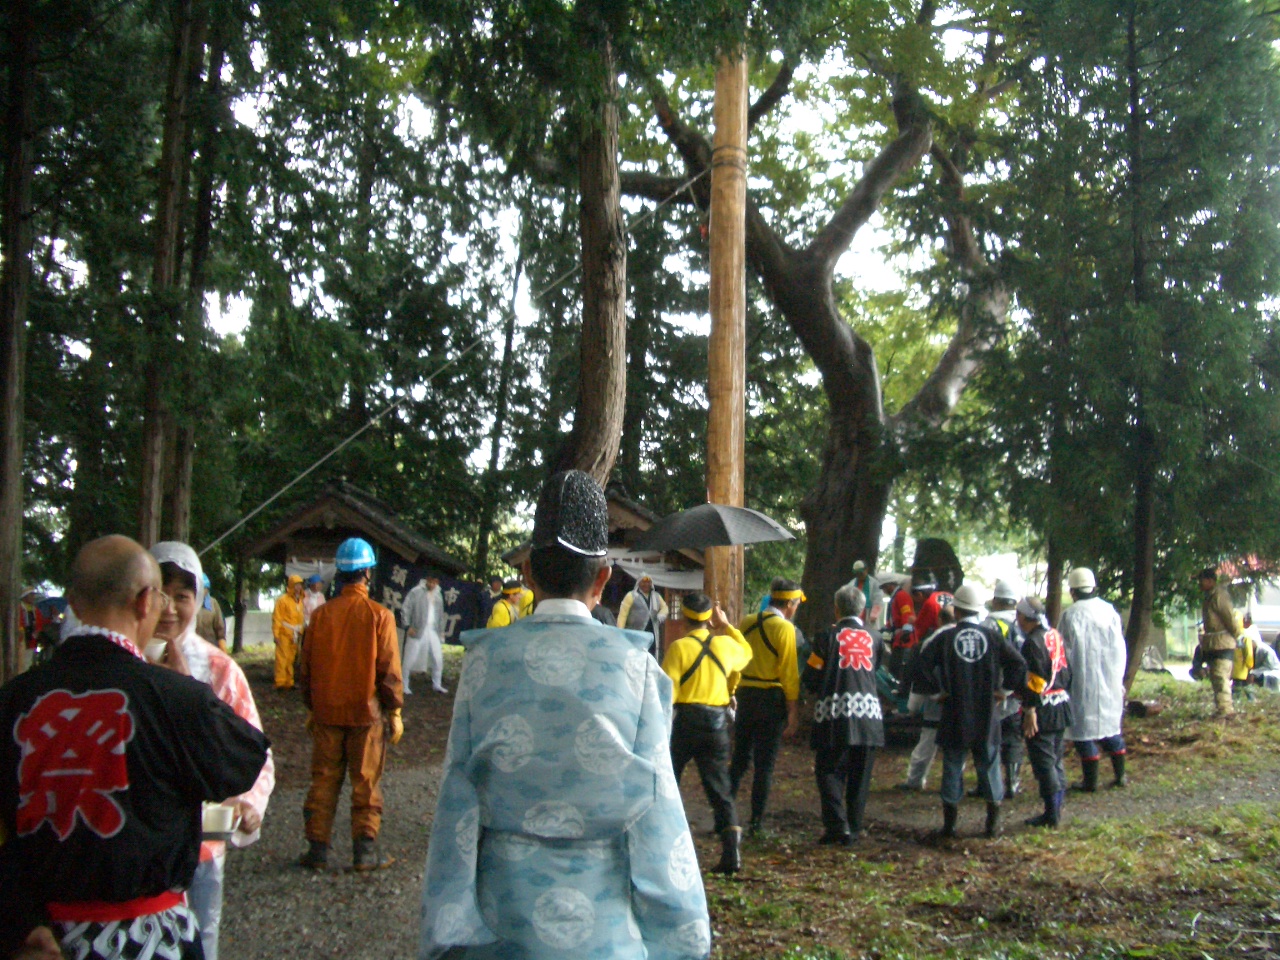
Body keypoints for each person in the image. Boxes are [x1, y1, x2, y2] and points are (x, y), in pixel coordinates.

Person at [419, 470, 710, 959]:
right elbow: (656, 810)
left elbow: (458, 797)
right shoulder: (636, 667)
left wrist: (446, 926)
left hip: (502, 922)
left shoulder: (485, 661)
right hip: (603, 932)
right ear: (602, 578)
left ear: (528, 574)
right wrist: (683, 935)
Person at [0, 535, 268, 960]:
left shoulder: (13, 700)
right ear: (148, 601)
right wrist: (190, 691)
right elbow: (242, 760)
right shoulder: (176, 698)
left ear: (72, 600)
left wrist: (18, 918)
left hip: (40, 935)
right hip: (149, 938)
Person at [150, 542, 276, 960]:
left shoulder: (221, 670)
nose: (169, 609)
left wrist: (248, 802)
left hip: (203, 842)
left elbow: (255, 751)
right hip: (136, 844)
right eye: (160, 594)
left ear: (199, 600)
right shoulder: (121, 664)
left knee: (201, 937)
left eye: (182, 597)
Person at [297, 537, 404, 871]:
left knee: (324, 780)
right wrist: (395, 710)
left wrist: (312, 708)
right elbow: (388, 671)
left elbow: (306, 669)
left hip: (327, 712)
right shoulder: (380, 616)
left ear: (340, 574)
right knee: (366, 782)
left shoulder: (321, 616)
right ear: (368, 573)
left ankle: (317, 851)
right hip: (365, 715)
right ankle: (365, 852)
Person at [913, 583, 1026, 839]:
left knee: (953, 765)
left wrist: (936, 693)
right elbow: (1019, 664)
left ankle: (950, 825)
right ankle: (992, 823)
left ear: (957, 611)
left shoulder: (945, 637)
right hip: (987, 714)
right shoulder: (993, 637)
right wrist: (1004, 691)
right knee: (989, 765)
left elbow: (920, 666)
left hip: (954, 712)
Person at [662, 592, 753, 873]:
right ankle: (731, 854)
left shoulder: (678, 649)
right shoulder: (726, 645)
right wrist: (726, 625)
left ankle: (664, 840)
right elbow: (746, 653)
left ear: (685, 618)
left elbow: (666, 691)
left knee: (669, 780)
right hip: (716, 725)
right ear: (709, 619)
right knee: (720, 789)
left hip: (686, 722)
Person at [803, 580, 884, 845]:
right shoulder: (875, 638)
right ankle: (856, 828)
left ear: (836, 609)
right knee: (860, 775)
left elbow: (813, 674)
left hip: (834, 714)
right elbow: (876, 668)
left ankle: (837, 826)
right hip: (869, 716)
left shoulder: (826, 637)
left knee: (828, 771)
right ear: (862, 611)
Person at [731, 578, 804, 834]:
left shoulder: (747, 622)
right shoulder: (785, 629)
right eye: (796, 604)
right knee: (765, 764)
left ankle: (725, 817)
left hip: (745, 696)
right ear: (790, 603)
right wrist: (793, 711)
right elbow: (789, 673)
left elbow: (737, 659)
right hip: (771, 700)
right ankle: (756, 822)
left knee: (739, 759)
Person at [1060, 567, 1128, 791]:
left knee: (1083, 733)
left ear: (1073, 591)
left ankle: (1090, 782)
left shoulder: (1071, 615)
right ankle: (1120, 776)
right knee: (1111, 728)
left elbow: (1064, 649)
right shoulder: (1109, 611)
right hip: (1109, 677)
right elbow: (1120, 647)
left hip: (1081, 680)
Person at [1015, 597, 1072, 829]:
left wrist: (1030, 709)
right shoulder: (1054, 635)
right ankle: (1056, 807)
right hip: (1061, 703)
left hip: (1043, 707)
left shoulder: (1033, 642)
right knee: (1056, 759)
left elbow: (1035, 679)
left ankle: (1051, 814)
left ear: (1023, 617)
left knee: (1044, 761)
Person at [896, 601, 956, 791]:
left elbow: (920, 672)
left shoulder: (932, 641)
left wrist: (912, 705)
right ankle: (953, 783)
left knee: (927, 743)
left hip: (936, 700)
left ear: (939, 619)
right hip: (960, 702)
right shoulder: (965, 637)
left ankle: (915, 780)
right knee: (955, 748)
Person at [984, 579, 1025, 797]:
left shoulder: (989, 624)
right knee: (1013, 738)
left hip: (994, 692)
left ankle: (989, 784)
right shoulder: (1025, 622)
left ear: (997, 601)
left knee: (990, 739)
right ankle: (1013, 781)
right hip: (1018, 691)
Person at [1198, 567, 1245, 718]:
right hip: (1213, 643)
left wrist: (1238, 635)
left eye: (1202, 580)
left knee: (1220, 676)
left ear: (1210, 581)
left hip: (1223, 643)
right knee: (1215, 677)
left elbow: (1229, 618)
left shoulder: (1219, 596)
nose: (1199, 583)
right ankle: (1221, 709)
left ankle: (1226, 710)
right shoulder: (1209, 596)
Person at [403, 574, 448, 694]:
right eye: (430, 582)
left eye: (434, 583)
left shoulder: (438, 594)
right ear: (426, 580)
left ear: (437, 582)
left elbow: (440, 615)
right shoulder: (416, 592)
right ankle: (403, 684)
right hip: (417, 628)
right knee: (409, 658)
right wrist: (407, 626)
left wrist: (441, 631)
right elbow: (406, 608)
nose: (432, 585)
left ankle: (437, 684)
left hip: (433, 630)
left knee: (437, 658)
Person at [619, 573, 669, 656]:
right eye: (643, 582)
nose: (646, 584)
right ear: (638, 582)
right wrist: (620, 631)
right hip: (635, 632)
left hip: (652, 632)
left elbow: (665, 608)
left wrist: (661, 615)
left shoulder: (656, 596)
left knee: (651, 655)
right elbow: (622, 615)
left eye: (648, 582)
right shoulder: (631, 596)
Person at [271, 573, 305, 690]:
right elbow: (277, 618)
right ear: (291, 585)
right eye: (296, 585)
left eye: (300, 585)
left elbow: (300, 618)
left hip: (295, 634)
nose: (298, 587)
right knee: (282, 659)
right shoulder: (282, 600)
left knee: (291, 659)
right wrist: (276, 635)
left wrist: (300, 631)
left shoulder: (300, 600)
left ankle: (288, 682)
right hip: (284, 633)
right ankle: (280, 682)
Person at [195, 573, 229, 651]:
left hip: (211, 647)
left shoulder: (213, 603)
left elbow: (220, 628)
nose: (200, 591)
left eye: (203, 588)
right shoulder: (190, 603)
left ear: (207, 589)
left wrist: (222, 648)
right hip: (193, 648)